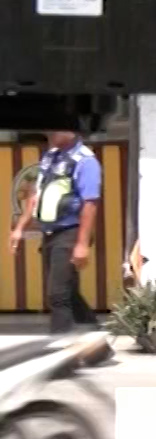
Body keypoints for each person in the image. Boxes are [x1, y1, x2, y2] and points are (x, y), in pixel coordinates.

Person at [7, 119, 104, 335]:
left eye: (56, 128)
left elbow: (90, 203)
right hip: (51, 233)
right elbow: (35, 194)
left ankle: (59, 344)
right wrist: (20, 227)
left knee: (57, 294)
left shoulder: (86, 161)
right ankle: (96, 336)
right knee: (68, 292)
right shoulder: (50, 156)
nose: (49, 132)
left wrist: (81, 244)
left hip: (71, 232)